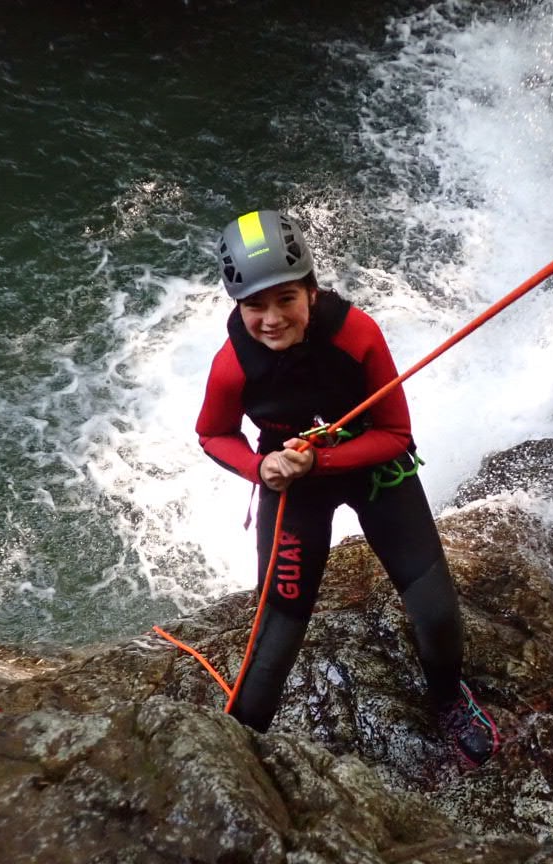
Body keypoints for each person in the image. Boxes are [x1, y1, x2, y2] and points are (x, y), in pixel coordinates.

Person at [194, 209, 498, 767]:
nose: (271, 319)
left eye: (286, 298)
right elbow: (213, 434)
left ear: (311, 291)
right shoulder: (233, 364)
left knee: (434, 610)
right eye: (255, 305)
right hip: (292, 483)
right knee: (276, 634)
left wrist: (322, 460)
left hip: (374, 470)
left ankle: (449, 699)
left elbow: (396, 433)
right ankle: (243, 745)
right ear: (236, 306)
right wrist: (260, 469)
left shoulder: (357, 335)